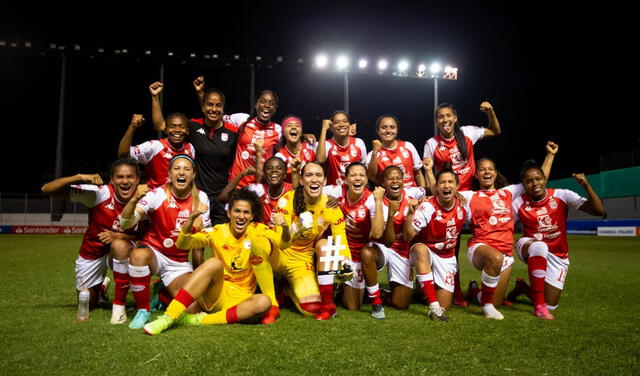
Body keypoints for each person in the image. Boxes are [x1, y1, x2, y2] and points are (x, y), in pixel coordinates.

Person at [143, 189, 292, 334]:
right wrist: (192, 217)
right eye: (237, 211)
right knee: (214, 263)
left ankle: (199, 320)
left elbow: (283, 244)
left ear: (252, 216)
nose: (241, 216)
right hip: (217, 293)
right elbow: (183, 244)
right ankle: (168, 318)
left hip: (241, 298)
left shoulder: (258, 229)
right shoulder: (217, 231)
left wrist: (285, 227)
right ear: (228, 213)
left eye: (246, 212)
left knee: (264, 302)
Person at [461, 142, 558, 319]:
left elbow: (538, 180)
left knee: (494, 299)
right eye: (482, 169)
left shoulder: (508, 193)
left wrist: (550, 155)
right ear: (476, 174)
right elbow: (447, 193)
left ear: (495, 173)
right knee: (494, 259)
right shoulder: (470, 196)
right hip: (480, 247)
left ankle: (475, 291)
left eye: (490, 169)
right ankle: (487, 306)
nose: (487, 172)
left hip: (505, 253)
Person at [40, 158, 141, 324]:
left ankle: (121, 304)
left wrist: (118, 236)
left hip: (125, 250)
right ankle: (101, 288)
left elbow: (150, 236)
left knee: (126, 248)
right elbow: (46, 190)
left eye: (130, 177)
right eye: (120, 177)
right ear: (112, 180)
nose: (125, 181)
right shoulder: (99, 194)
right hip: (93, 251)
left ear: (137, 179)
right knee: (88, 304)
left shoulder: (145, 198)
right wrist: (78, 177)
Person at [422, 102, 502, 305]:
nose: (445, 120)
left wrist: (490, 112)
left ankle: (493, 275)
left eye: (448, 115)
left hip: (471, 197)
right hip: (450, 198)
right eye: (440, 117)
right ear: (436, 121)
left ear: (455, 118)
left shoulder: (468, 133)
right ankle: (452, 288)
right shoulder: (431, 144)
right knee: (451, 247)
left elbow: (495, 130)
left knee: (489, 232)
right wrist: (445, 192)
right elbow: (433, 182)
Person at [119, 155, 211, 329]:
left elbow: (200, 245)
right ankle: (143, 310)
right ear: (169, 173)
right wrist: (133, 199)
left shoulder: (201, 198)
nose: (181, 172)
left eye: (187, 169)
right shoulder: (158, 193)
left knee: (192, 309)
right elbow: (126, 224)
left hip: (179, 263)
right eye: (176, 168)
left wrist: (198, 277)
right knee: (138, 255)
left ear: (193, 175)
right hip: (155, 253)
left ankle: (162, 294)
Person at [507, 161, 605, 319]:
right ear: (524, 185)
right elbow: (504, 225)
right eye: (529, 181)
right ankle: (538, 307)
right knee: (539, 246)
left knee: (551, 304)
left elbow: (599, 210)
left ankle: (523, 288)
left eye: (538, 179)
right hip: (529, 246)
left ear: (544, 179)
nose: (534, 183)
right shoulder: (518, 203)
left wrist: (586, 186)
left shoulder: (562, 195)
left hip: (558, 255)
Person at [150, 81, 244, 225]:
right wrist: (155, 97)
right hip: (197, 194)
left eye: (218, 105)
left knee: (220, 241)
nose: (214, 109)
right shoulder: (193, 126)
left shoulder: (232, 133)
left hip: (222, 197)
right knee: (195, 239)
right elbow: (160, 125)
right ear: (203, 107)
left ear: (223, 108)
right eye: (210, 105)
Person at [273, 162, 353, 320]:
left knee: (312, 309)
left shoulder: (331, 207)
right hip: (278, 256)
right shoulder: (286, 201)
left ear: (324, 181)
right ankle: (271, 288)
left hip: (301, 261)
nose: (314, 179)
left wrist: (346, 262)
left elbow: (340, 239)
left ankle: (290, 290)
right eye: (309, 175)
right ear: (301, 180)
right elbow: (279, 243)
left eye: (319, 175)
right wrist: (296, 229)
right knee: (260, 244)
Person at [403, 166, 469, 322]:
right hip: (424, 251)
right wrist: (410, 214)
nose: (447, 186)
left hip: (446, 257)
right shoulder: (428, 206)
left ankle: (422, 288)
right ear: (436, 187)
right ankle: (433, 308)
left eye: (450, 182)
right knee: (420, 249)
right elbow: (407, 236)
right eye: (443, 182)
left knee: (445, 303)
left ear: (457, 186)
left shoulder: (464, 204)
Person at [360, 166, 426, 319]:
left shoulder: (411, 194)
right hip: (383, 246)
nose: (395, 181)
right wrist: (390, 214)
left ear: (404, 181)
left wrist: (457, 195)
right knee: (367, 252)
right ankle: (376, 302)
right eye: (390, 178)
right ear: (383, 182)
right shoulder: (375, 199)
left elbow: (429, 190)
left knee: (402, 304)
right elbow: (387, 240)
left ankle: (382, 293)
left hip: (402, 250)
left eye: (398, 178)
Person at [322, 162, 386, 311]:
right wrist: (324, 200)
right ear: (345, 179)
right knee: (321, 245)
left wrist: (378, 201)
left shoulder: (371, 199)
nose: (358, 178)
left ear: (366, 179)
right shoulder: (336, 191)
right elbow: (309, 192)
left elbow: (377, 234)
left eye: (362, 175)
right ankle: (326, 289)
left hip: (361, 252)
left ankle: (347, 286)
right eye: (353, 175)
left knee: (353, 306)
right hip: (341, 249)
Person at [118, 113, 195, 189]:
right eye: (172, 126)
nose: (177, 130)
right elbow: (123, 155)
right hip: (155, 198)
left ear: (187, 131)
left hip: (179, 198)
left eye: (181, 127)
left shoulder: (190, 148)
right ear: (165, 130)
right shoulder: (155, 146)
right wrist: (132, 126)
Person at [219, 157, 293, 227]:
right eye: (269, 168)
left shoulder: (292, 190)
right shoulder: (258, 189)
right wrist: (241, 174)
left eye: (279, 168)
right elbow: (223, 197)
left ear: (285, 175)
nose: (274, 170)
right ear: (264, 174)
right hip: (263, 235)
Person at [367, 114, 426, 188]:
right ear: (378, 131)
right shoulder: (372, 155)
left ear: (397, 129)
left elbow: (418, 173)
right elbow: (370, 176)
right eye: (384, 127)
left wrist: (423, 192)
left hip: (412, 195)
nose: (388, 131)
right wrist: (375, 152)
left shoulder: (408, 146)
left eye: (392, 127)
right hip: (389, 197)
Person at [316, 111, 367, 186]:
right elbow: (320, 160)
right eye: (337, 122)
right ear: (331, 127)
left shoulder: (359, 143)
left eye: (345, 121)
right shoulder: (327, 145)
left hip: (354, 191)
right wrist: (324, 129)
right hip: (333, 194)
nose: (341, 125)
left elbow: (364, 170)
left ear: (349, 125)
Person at [275, 115, 316, 184]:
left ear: (301, 132)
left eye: (297, 125)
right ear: (283, 133)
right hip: (292, 192)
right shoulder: (280, 157)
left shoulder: (311, 146)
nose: (293, 127)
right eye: (289, 125)